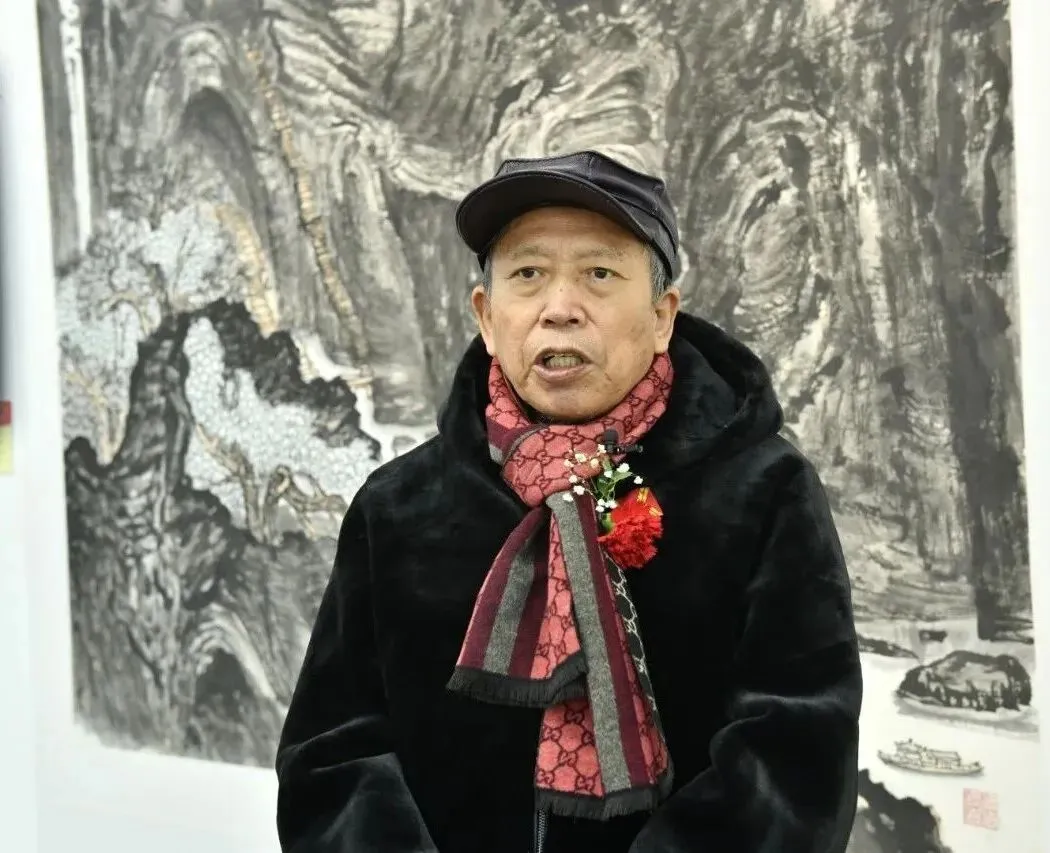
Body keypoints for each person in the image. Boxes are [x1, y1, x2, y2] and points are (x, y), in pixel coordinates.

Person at [275, 150, 863, 853]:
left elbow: (795, 754)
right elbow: (333, 754)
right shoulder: (398, 507)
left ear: (662, 316)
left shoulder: (764, 492)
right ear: (487, 317)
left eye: (599, 274)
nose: (559, 309)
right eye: (528, 274)